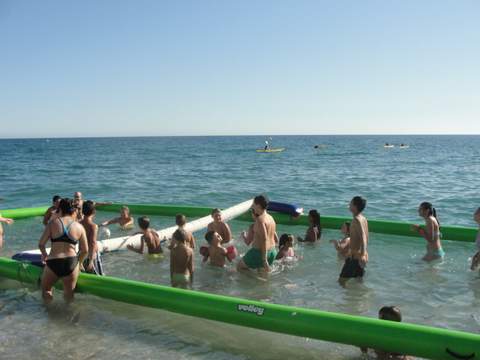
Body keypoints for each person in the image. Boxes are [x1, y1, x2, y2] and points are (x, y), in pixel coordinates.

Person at [38, 198, 88, 302]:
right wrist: (80, 262)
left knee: (46, 290)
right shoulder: (79, 227)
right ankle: (67, 316)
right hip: (71, 262)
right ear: (74, 211)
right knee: (69, 295)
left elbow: (41, 244)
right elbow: (85, 250)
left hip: (53, 261)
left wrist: (45, 255)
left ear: (60, 209)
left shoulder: (52, 223)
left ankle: (50, 314)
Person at [237, 195, 277, 273]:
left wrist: (264, 260)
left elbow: (264, 239)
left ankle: (253, 281)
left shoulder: (260, 220)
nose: (252, 206)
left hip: (258, 253)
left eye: (253, 204)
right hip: (272, 251)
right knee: (261, 273)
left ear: (258, 205)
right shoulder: (270, 217)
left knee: (239, 267)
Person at [339, 196, 369, 287]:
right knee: (358, 281)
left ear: (355, 206)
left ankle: (346, 300)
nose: (349, 204)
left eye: (351, 203)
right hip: (359, 255)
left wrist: (362, 255)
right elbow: (367, 237)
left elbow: (363, 237)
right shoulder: (363, 218)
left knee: (341, 281)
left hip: (357, 257)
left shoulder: (356, 220)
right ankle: (358, 299)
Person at [80, 201, 104, 275]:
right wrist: (91, 260)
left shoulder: (79, 223)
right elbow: (93, 243)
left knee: (84, 274)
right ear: (94, 211)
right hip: (91, 254)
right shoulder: (93, 226)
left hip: (81, 253)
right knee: (98, 275)